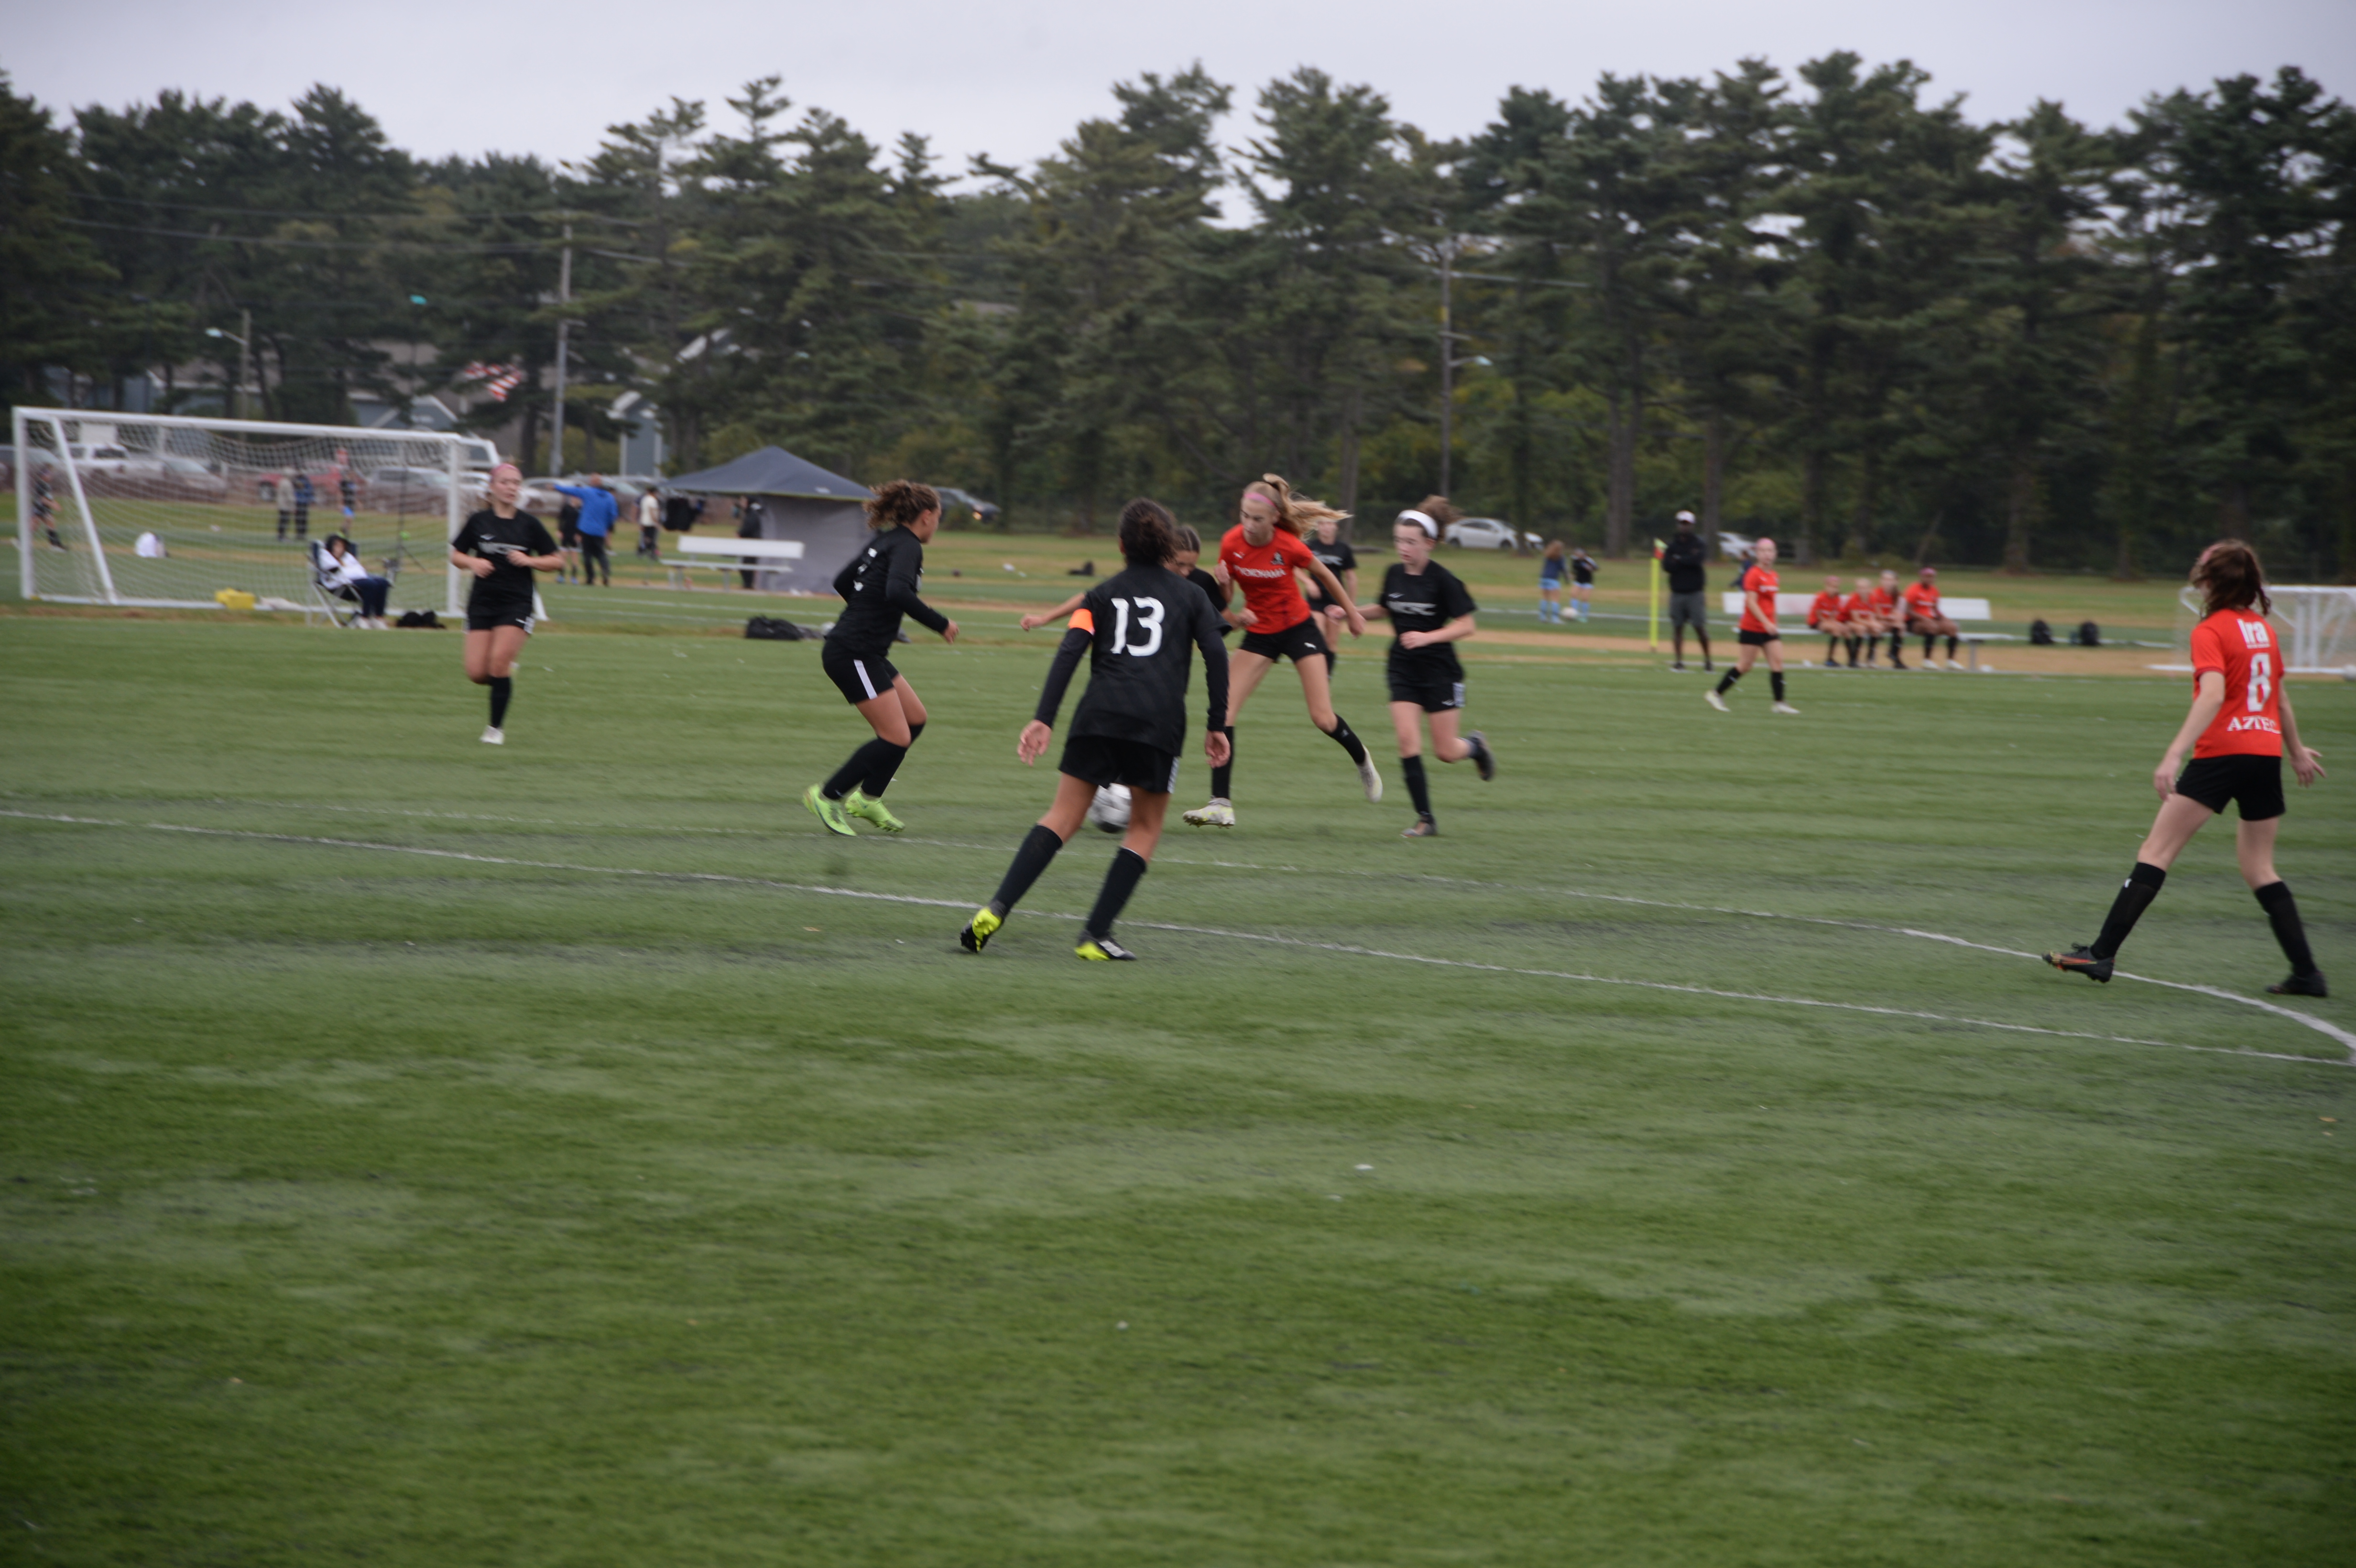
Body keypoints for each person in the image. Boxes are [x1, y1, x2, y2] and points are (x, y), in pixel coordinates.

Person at [2044, 541, 2327, 995]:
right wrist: (2294, 750)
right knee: (2260, 868)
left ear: (2211, 581)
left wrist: (2174, 752)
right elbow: (2280, 697)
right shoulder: (2263, 630)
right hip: (2265, 753)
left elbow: (2214, 694)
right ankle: (2308, 973)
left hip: (2223, 753)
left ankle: (2101, 954)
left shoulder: (2211, 630)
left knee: (2157, 851)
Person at [960, 499, 1231, 960]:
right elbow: (1217, 653)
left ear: (1121, 545)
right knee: (1145, 828)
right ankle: (1096, 934)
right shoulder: (1192, 596)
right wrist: (1216, 724)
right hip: (1157, 721)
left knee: (1062, 817)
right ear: (1168, 546)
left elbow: (1070, 650)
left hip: (1098, 715)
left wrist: (1044, 718)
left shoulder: (1101, 594)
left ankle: (996, 908)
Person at [1181, 473, 1377, 829]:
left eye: (1257, 519)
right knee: (1224, 712)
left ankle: (1362, 757)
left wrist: (1353, 613)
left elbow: (1326, 576)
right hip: (1260, 633)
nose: (1249, 525)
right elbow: (1228, 600)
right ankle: (1221, 804)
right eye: (1244, 516)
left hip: (1298, 629)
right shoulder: (1230, 543)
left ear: (1274, 518)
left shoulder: (1288, 545)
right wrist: (1224, 585)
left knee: (1323, 718)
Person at [803, 480, 958, 836]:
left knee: (915, 719)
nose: (937, 525)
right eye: (939, 518)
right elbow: (897, 591)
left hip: (865, 649)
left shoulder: (885, 540)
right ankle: (827, 796)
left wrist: (867, 611)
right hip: (853, 652)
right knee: (895, 737)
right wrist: (941, 623)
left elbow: (843, 581)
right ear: (927, 515)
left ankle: (869, 798)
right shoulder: (909, 545)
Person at [1360, 507, 1494, 838]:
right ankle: (1425, 820)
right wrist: (1349, 611)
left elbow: (1467, 625)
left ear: (1429, 544)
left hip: (1440, 671)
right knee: (1408, 742)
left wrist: (1427, 637)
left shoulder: (1444, 580)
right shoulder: (1394, 573)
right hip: (1403, 668)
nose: (1403, 548)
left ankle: (1476, 747)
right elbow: (1384, 608)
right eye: (1399, 541)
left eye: (1411, 542)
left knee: (1445, 751)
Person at [449, 464, 561, 744]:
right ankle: (504, 675)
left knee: (498, 665)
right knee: (477, 673)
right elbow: (456, 555)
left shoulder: (529, 524)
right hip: (482, 602)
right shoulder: (478, 521)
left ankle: (495, 730)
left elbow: (556, 561)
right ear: (492, 487)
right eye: (505, 482)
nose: (512, 488)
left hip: (516, 603)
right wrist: (473, 562)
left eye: (516, 483)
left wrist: (530, 561)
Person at [1019, 523, 1226, 632]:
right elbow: (1091, 598)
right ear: (1164, 554)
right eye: (1180, 564)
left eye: (1192, 566)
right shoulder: (1142, 575)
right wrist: (1045, 618)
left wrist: (1226, 585)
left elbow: (1227, 618)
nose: (1186, 572)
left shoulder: (1201, 582)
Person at [1705, 536, 1799, 715]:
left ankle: (1779, 703)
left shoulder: (1774, 576)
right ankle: (1716, 694)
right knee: (1745, 665)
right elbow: (1751, 602)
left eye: (1770, 551)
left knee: (1777, 662)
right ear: (1757, 554)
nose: (1767, 554)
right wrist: (1765, 622)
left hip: (1768, 627)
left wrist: (1773, 623)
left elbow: (1771, 604)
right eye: (1763, 551)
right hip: (1752, 627)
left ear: (1775, 554)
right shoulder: (1753, 574)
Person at [1300, 513, 1358, 671]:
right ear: (1318, 527)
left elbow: (1351, 578)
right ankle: (1317, 673)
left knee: (1331, 643)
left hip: (1335, 601)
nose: (1326, 527)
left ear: (1336, 527)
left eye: (1330, 524)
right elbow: (1296, 569)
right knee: (1318, 635)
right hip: (1316, 600)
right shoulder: (1311, 546)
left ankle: (1327, 677)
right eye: (1323, 524)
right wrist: (1309, 582)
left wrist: (1351, 606)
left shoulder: (1343, 549)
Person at [1660, 510, 1712, 671]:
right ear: (1678, 525)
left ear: (1692, 525)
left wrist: (1679, 559)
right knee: (1678, 628)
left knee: (1699, 627)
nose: (1684, 527)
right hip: (1677, 592)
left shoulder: (1698, 543)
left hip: (1695, 592)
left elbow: (1697, 561)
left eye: (1687, 524)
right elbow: (1667, 566)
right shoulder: (1672, 545)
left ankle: (1708, 661)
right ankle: (1679, 661)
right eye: (1682, 524)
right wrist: (1685, 560)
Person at [554, 474, 620, 586]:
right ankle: (605, 571)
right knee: (600, 553)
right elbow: (613, 515)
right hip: (600, 530)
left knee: (587, 554)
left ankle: (590, 578)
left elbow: (572, 491)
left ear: (593, 483)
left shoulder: (588, 492)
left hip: (586, 529)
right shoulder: (610, 497)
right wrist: (607, 527)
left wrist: (556, 487)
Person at [317, 534, 393, 628]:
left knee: (383, 582)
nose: (339, 549)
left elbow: (360, 571)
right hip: (339, 585)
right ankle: (364, 618)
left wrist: (350, 571)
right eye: (336, 546)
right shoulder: (326, 556)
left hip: (354, 582)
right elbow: (339, 573)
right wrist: (351, 571)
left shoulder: (347, 557)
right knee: (371, 584)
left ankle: (379, 618)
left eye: (342, 546)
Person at [1904, 566, 1962, 669]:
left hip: (1930, 620)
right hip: (1914, 622)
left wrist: (1945, 619)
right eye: (1927, 577)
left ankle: (1950, 661)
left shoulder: (1934, 591)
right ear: (1921, 577)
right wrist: (1924, 619)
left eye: (1932, 577)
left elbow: (1935, 610)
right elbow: (1908, 611)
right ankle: (1927, 660)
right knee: (1932, 627)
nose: (1930, 579)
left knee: (1953, 627)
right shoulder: (1914, 589)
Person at [1807, 574, 1856, 667]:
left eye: (1836, 587)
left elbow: (1834, 615)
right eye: (1832, 587)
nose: (1834, 589)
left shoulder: (1837, 599)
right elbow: (1819, 615)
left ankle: (1852, 660)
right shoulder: (1821, 597)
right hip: (1816, 621)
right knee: (1836, 630)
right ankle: (1829, 659)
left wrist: (1835, 623)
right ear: (1827, 586)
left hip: (1829, 622)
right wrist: (1832, 624)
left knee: (1846, 630)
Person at [1843, 575, 1884, 667]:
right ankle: (1854, 659)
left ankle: (1870, 659)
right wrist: (1872, 625)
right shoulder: (1854, 598)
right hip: (1847, 621)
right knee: (1861, 629)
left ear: (1869, 589)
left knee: (1875, 630)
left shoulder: (1872, 598)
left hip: (1861, 622)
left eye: (1864, 588)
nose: (1862, 590)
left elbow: (1871, 617)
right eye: (1859, 588)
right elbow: (1856, 618)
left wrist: (1875, 625)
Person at [1869, 569, 1907, 669]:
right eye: (1885, 579)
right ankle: (1871, 657)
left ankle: (1894, 655)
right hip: (1876, 620)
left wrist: (1893, 618)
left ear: (1896, 582)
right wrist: (1889, 617)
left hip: (1888, 622)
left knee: (1901, 626)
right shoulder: (1876, 593)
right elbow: (1877, 614)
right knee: (1877, 627)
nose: (1887, 582)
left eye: (1890, 580)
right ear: (1881, 581)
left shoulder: (1898, 595)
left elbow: (1899, 614)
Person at [736, 496, 767, 589]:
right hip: (750, 543)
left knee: (748, 564)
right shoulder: (750, 512)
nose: (742, 503)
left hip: (753, 543)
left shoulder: (752, 513)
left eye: (744, 501)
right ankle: (748, 584)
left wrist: (740, 533)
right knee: (746, 565)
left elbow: (749, 527)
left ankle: (748, 585)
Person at [555, 490, 582, 583]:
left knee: (575, 556)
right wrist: (559, 531)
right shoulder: (566, 507)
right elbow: (561, 520)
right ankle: (561, 576)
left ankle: (574, 577)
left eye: (577, 497)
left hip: (575, 535)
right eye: (574, 497)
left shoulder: (581, 509)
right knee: (563, 555)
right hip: (566, 534)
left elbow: (582, 523)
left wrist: (580, 534)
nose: (575, 499)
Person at [1538, 541, 1569, 624]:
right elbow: (1563, 569)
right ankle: (1555, 618)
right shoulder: (1561, 557)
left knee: (1545, 598)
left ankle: (1542, 617)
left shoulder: (1547, 555)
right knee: (1555, 599)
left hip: (1544, 578)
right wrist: (1567, 579)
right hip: (1553, 579)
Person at [1568, 544, 1596, 622]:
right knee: (1574, 595)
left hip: (1587, 581)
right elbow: (1575, 568)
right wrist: (1572, 574)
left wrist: (1590, 568)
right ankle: (1574, 613)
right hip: (1578, 581)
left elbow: (1596, 567)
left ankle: (1584, 616)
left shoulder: (1588, 560)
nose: (1577, 555)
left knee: (1585, 598)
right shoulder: (1575, 560)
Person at [636, 486, 663, 559]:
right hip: (651, 522)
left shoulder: (644, 499)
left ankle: (642, 550)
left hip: (644, 521)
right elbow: (652, 512)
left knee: (646, 537)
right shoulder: (653, 500)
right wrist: (656, 522)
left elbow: (642, 511)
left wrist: (641, 522)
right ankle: (651, 552)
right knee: (652, 539)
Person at [290, 471, 315, 542]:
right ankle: (298, 534)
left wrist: (304, 489)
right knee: (298, 519)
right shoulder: (295, 480)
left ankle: (303, 534)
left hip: (304, 502)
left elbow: (310, 490)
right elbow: (293, 491)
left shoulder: (306, 480)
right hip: (297, 502)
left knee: (304, 518)